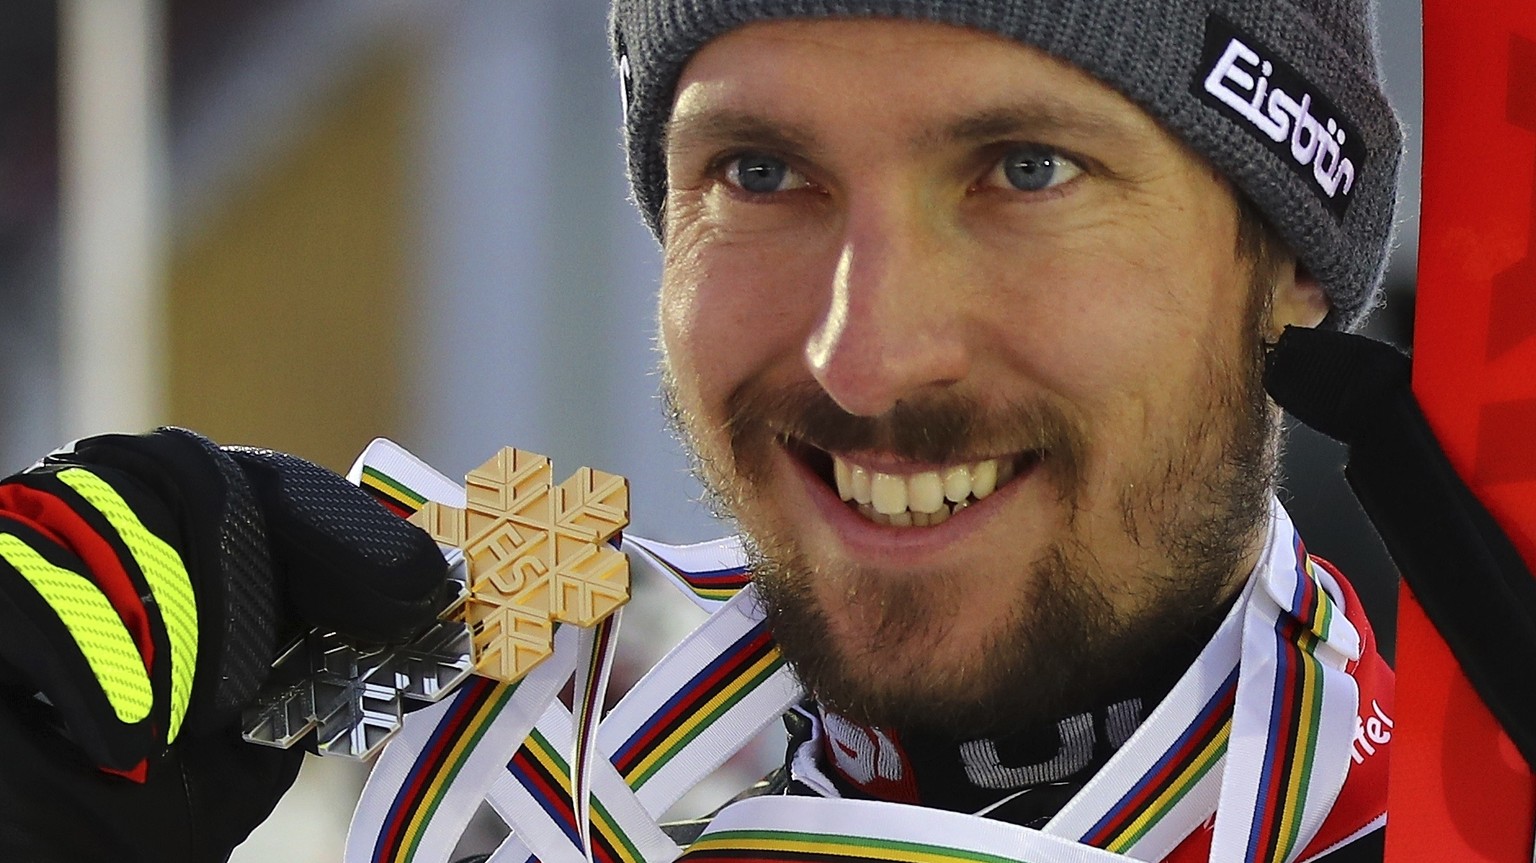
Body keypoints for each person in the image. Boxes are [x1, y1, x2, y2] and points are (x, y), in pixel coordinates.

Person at [0, 0, 1405, 860]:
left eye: (1026, 170)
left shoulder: (1450, 811)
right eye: (759, 169)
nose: (864, 357)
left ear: (1287, 256)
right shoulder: (493, 814)